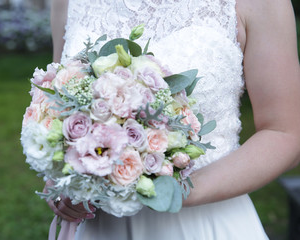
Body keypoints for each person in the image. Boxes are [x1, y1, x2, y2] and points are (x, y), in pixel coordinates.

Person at [44, 0, 300, 239]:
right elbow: (55, 108)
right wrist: (60, 179)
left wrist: (164, 191)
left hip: (201, 223)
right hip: (98, 225)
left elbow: (285, 133)